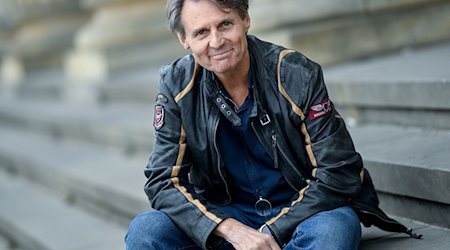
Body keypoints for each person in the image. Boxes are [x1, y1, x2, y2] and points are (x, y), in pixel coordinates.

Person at [125, 0, 421, 249]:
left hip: (302, 213)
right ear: (184, 40)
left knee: (334, 230)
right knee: (146, 230)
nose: (216, 42)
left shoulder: (296, 74)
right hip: (225, 217)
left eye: (225, 24)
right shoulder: (177, 85)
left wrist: (270, 233)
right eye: (201, 32)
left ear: (245, 19)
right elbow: (163, 181)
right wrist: (227, 228)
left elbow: (338, 172)